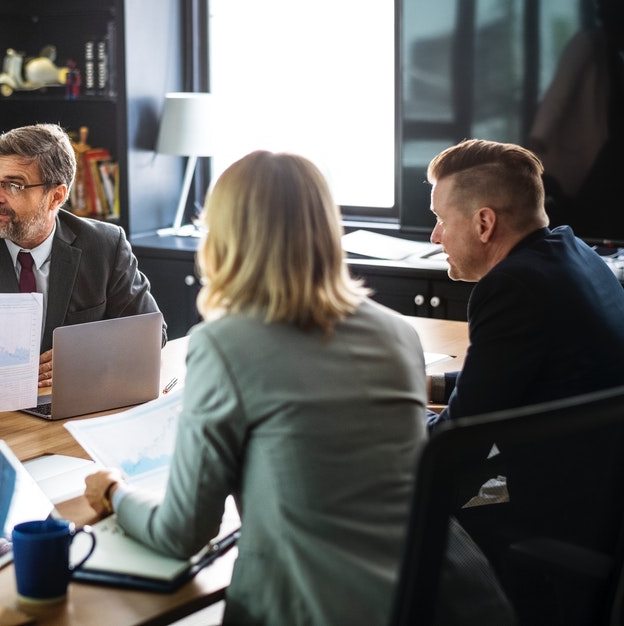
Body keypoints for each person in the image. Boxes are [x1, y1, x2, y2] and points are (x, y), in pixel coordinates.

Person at [83, 150, 512, 625]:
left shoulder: (224, 344)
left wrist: (114, 493)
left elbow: (181, 532)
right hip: (436, 599)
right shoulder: (397, 333)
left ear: (223, 237)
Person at [424, 138, 624, 619]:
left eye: (441, 219)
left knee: (386, 501)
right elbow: (519, 379)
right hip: (597, 489)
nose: (435, 237)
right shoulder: (576, 255)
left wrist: (389, 433)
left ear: (484, 222)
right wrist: (428, 388)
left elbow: (460, 441)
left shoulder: (511, 287)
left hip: (546, 507)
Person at [0, 123, 165, 431]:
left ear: (56, 197)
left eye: (14, 185)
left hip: (76, 416)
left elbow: (150, 333)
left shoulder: (104, 245)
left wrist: (80, 358)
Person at [528, 0, 624, 240]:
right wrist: (536, 145)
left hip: (601, 158)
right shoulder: (588, 43)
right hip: (577, 162)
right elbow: (558, 95)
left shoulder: (612, 52)